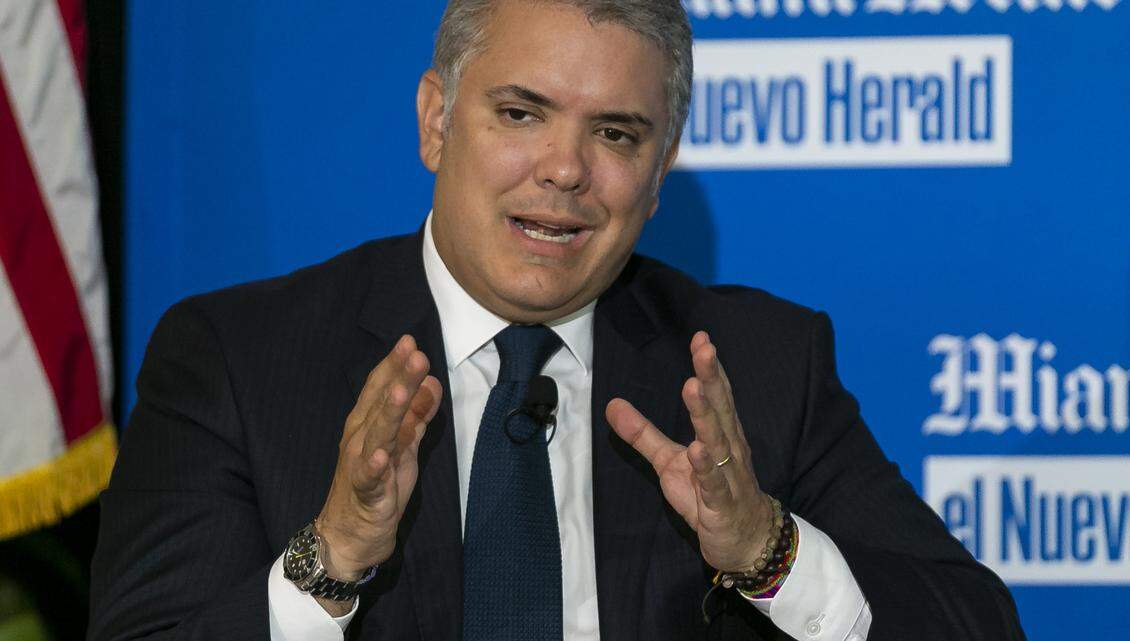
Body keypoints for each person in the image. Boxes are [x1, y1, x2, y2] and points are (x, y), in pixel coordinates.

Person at [88, 1, 1026, 640]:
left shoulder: (756, 367)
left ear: (659, 175)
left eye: (616, 133)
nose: (567, 169)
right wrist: (329, 558)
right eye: (522, 113)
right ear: (435, 122)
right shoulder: (237, 356)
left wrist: (767, 553)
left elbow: (977, 624)